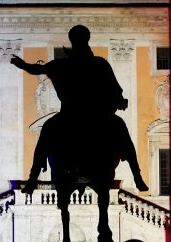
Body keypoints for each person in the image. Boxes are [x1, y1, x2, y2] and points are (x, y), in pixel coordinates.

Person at [10, 24, 148, 194]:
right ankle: (137, 176)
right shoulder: (98, 63)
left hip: (70, 114)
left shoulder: (64, 64)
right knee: (121, 131)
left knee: (46, 134)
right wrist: (120, 101)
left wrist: (22, 64)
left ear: (72, 41)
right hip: (95, 114)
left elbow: (37, 69)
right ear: (86, 40)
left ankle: (32, 179)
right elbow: (115, 90)